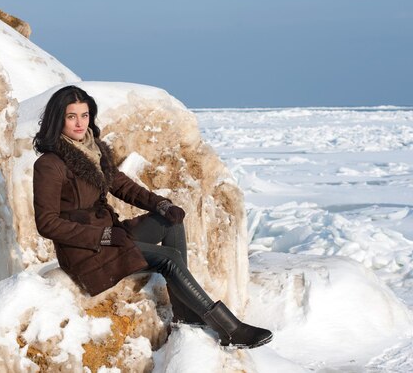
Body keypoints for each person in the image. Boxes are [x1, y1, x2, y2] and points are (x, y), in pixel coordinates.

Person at [32, 85, 272, 349]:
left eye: (84, 115)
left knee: (172, 223)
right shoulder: (49, 164)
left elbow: (121, 185)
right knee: (169, 259)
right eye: (71, 116)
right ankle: (229, 329)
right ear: (58, 119)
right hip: (86, 251)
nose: (80, 123)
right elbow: (47, 223)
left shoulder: (93, 150)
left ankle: (185, 315)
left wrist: (161, 205)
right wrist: (104, 235)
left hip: (111, 236)